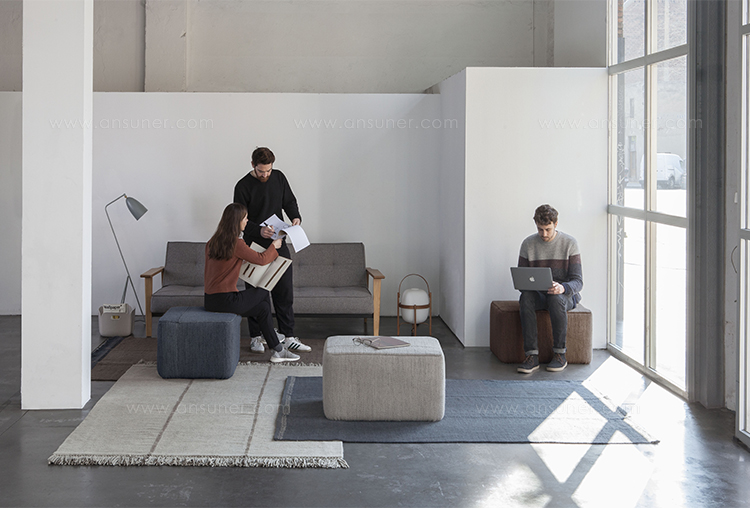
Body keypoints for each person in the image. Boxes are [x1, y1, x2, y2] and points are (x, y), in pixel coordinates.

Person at [233, 147, 311, 354]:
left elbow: (289, 201)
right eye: (261, 171)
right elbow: (238, 220)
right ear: (253, 165)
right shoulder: (242, 186)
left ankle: (288, 336)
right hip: (253, 245)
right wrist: (258, 230)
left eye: (268, 170)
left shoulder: (279, 177)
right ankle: (256, 337)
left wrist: (295, 217)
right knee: (255, 292)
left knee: (284, 290)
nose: (265, 174)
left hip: (278, 241)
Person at [204, 203, 300, 363]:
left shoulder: (212, 242)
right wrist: (274, 246)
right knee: (264, 291)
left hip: (211, 300)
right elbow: (261, 259)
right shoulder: (236, 243)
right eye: (245, 218)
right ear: (237, 221)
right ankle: (275, 338)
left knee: (262, 308)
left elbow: (222, 266)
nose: (247, 221)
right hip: (227, 300)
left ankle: (278, 350)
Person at [517, 204, 583, 374]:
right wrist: (530, 286)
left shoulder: (570, 243)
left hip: (564, 296)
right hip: (539, 295)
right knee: (526, 297)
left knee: (556, 298)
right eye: (540, 229)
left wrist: (562, 287)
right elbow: (522, 279)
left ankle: (560, 354)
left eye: (548, 229)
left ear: (556, 224)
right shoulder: (528, 244)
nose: (544, 234)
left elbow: (578, 282)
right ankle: (531, 356)